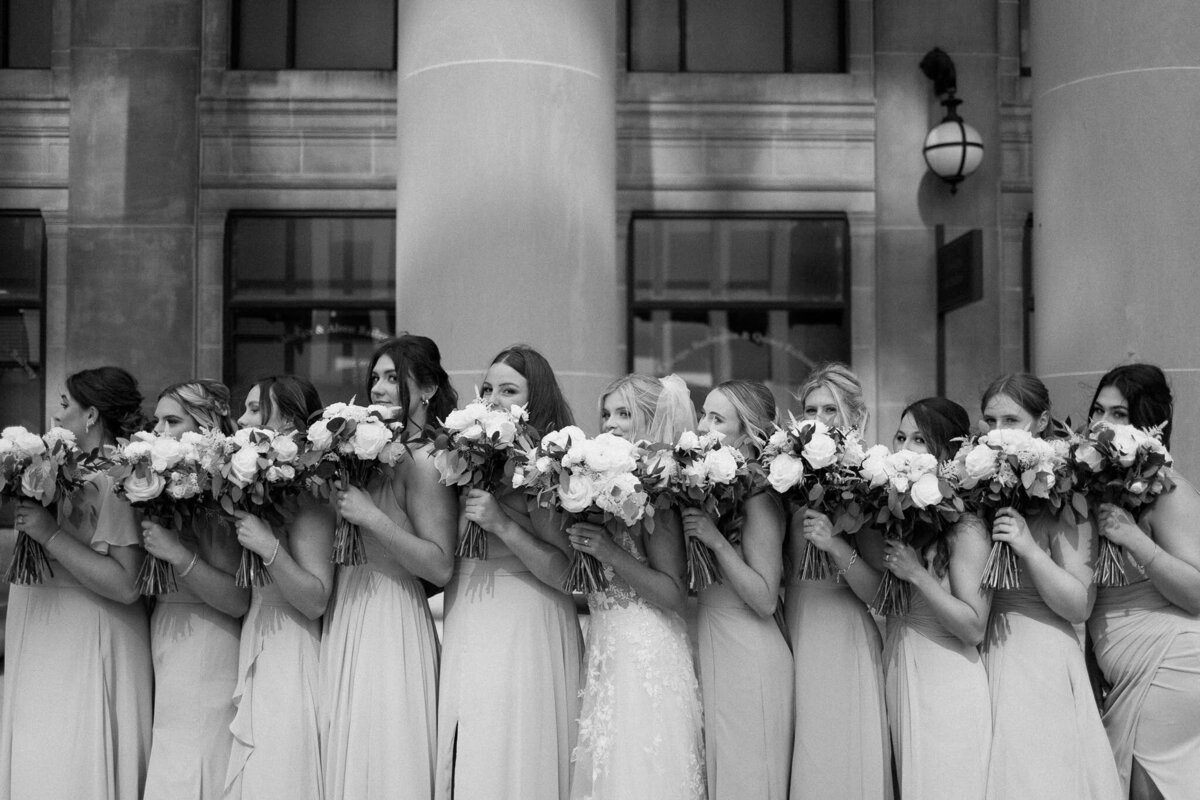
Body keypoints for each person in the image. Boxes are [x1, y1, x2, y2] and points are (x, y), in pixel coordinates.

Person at [434, 345, 583, 800]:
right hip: (469, 611)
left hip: (525, 622)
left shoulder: (543, 471)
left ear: (533, 400)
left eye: (508, 389)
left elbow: (569, 574)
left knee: (513, 748)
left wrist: (501, 524)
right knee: (469, 744)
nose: (493, 398)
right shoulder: (468, 460)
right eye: (487, 389)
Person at [1, 366, 154, 800]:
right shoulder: (53, 469)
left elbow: (127, 585)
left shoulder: (119, 478)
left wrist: (49, 534)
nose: (56, 414)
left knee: (73, 760)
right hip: (42, 631)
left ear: (91, 415)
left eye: (66, 404)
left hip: (88, 633)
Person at [320, 334, 459, 800]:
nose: (378, 388)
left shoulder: (424, 462)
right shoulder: (367, 455)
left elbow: (440, 567)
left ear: (426, 389)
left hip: (390, 619)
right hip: (348, 609)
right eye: (375, 378)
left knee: (385, 761)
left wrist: (371, 517)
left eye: (392, 378)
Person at [977, 373, 1121, 799]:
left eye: (1012, 420)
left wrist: (1027, 547)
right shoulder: (976, 488)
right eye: (990, 420)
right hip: (983, 650)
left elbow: (1079, 604)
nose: (998, 432)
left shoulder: (1062, 493)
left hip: (1039, 659)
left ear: (1041, 423)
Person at [568, 374, 706, 800]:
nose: (610, 423)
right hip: (605, 648)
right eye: (606, 413)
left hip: (647, 654)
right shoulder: (602, 488)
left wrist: (609, 552)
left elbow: (673, 593)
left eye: (624, 414)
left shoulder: (657, 494)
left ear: (650, 419)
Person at [1086, 364, 1200, 799]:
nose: (1103, 424)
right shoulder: (1090, 487)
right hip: (1122, 671)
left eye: (1119, 414)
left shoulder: (1168, 490)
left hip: (1169, 664)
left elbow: (1195, 593)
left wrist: (1133, 537)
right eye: (1098, 411)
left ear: (1147, 426)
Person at [785, 363, 892, 800]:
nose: (820, 419)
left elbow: (880, 594)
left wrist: (833, 545)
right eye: (811, 409)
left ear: (856, 418)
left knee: (833, 763)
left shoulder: (865, 484)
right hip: (795, 630)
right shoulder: (787, 478)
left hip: (840, 639)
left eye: (831, 409)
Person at [225, 376, 335, 800]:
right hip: (258, 631)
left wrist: (268, 545)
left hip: (291, 649)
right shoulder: (263, 488)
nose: (241, 417)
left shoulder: (307, 495)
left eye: (254, 409)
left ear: (286, 420)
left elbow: (315, 598)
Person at [878, 398, 992, 800]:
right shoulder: (900, 516)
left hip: (947, 684)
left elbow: (974, 626)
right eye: (901, 437)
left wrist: (916, 574)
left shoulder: (967, 527)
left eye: (920, 439)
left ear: (945, 451)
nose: (906, 448)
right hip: (900, 668)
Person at [141, 379, 248, 800]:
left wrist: (174, 554)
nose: (161, 432)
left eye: (173, 421)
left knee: (194, 762)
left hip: (206, 642)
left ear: (204, 425)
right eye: (158, 422)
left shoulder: (213, 493)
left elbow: (236, 598)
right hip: (167, 631)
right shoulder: (173, 485)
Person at [685, 380, 792, 799]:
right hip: (717, 642)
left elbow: (766, 597)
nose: (703, 425)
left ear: (747, 432)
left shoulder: (759, 497)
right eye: (703, 414)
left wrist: (714, 541)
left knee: (748, 780)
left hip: (750, 653)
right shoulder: (710, 488)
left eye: (717, 418)